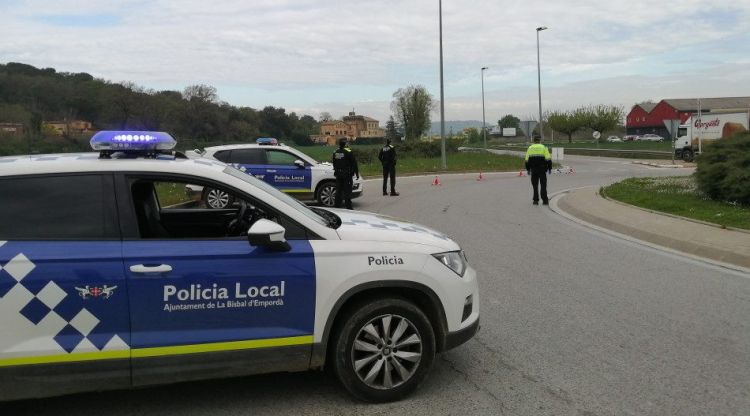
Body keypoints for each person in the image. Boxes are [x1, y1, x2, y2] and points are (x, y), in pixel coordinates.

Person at [332, 138, 359, 209]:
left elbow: (334, 163)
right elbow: (354, 163)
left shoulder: (335, 152)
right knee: (347, 191)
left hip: (338, 174)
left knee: (339, 190)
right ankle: (348, 207)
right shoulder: (348, 151)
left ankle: (337, 205)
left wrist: (336, 170)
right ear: (345, 144)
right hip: (347, 174)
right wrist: (356, 173)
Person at [524, 136, 552, 205]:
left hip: (533, 170)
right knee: (543, 185)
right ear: (540, 140)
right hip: (542, 169)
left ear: (533, 141)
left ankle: (535, 200)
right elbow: (548, 159)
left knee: (535, 186)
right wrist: (549, 168)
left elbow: (526, 160)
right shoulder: (544, 147)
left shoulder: (530, 148)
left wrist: (528, 169)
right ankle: (545, 201)